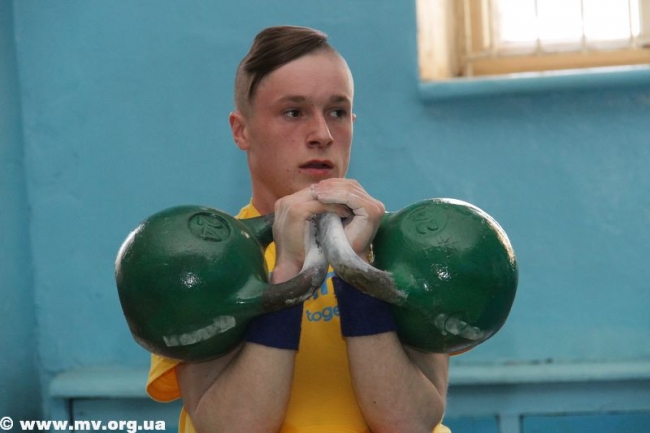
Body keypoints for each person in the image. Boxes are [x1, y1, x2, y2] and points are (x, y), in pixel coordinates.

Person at [146, 25, 450, 433]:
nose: (322, 135)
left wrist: (356, 268)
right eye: (293, 112)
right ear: (241, 131)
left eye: (337, 112)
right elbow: (233, 427)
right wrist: (288, 275)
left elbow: (409, 422)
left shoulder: (406, 249)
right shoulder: (199, 258)